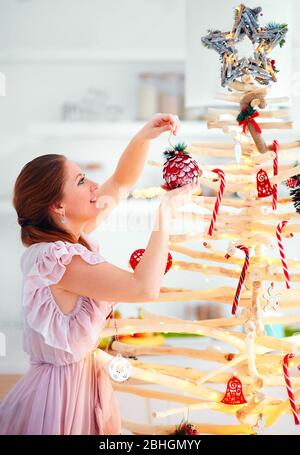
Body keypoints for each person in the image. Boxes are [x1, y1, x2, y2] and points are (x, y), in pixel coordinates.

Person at [0, 113, 199, 435]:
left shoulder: (67, 241)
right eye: (80, 181)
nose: (94, 184)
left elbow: (120, 181)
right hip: (61, 399)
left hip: (79, 385)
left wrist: (143, 138)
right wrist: (164, 214)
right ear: (58, 207)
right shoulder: (58, 258)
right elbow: (144, 287)